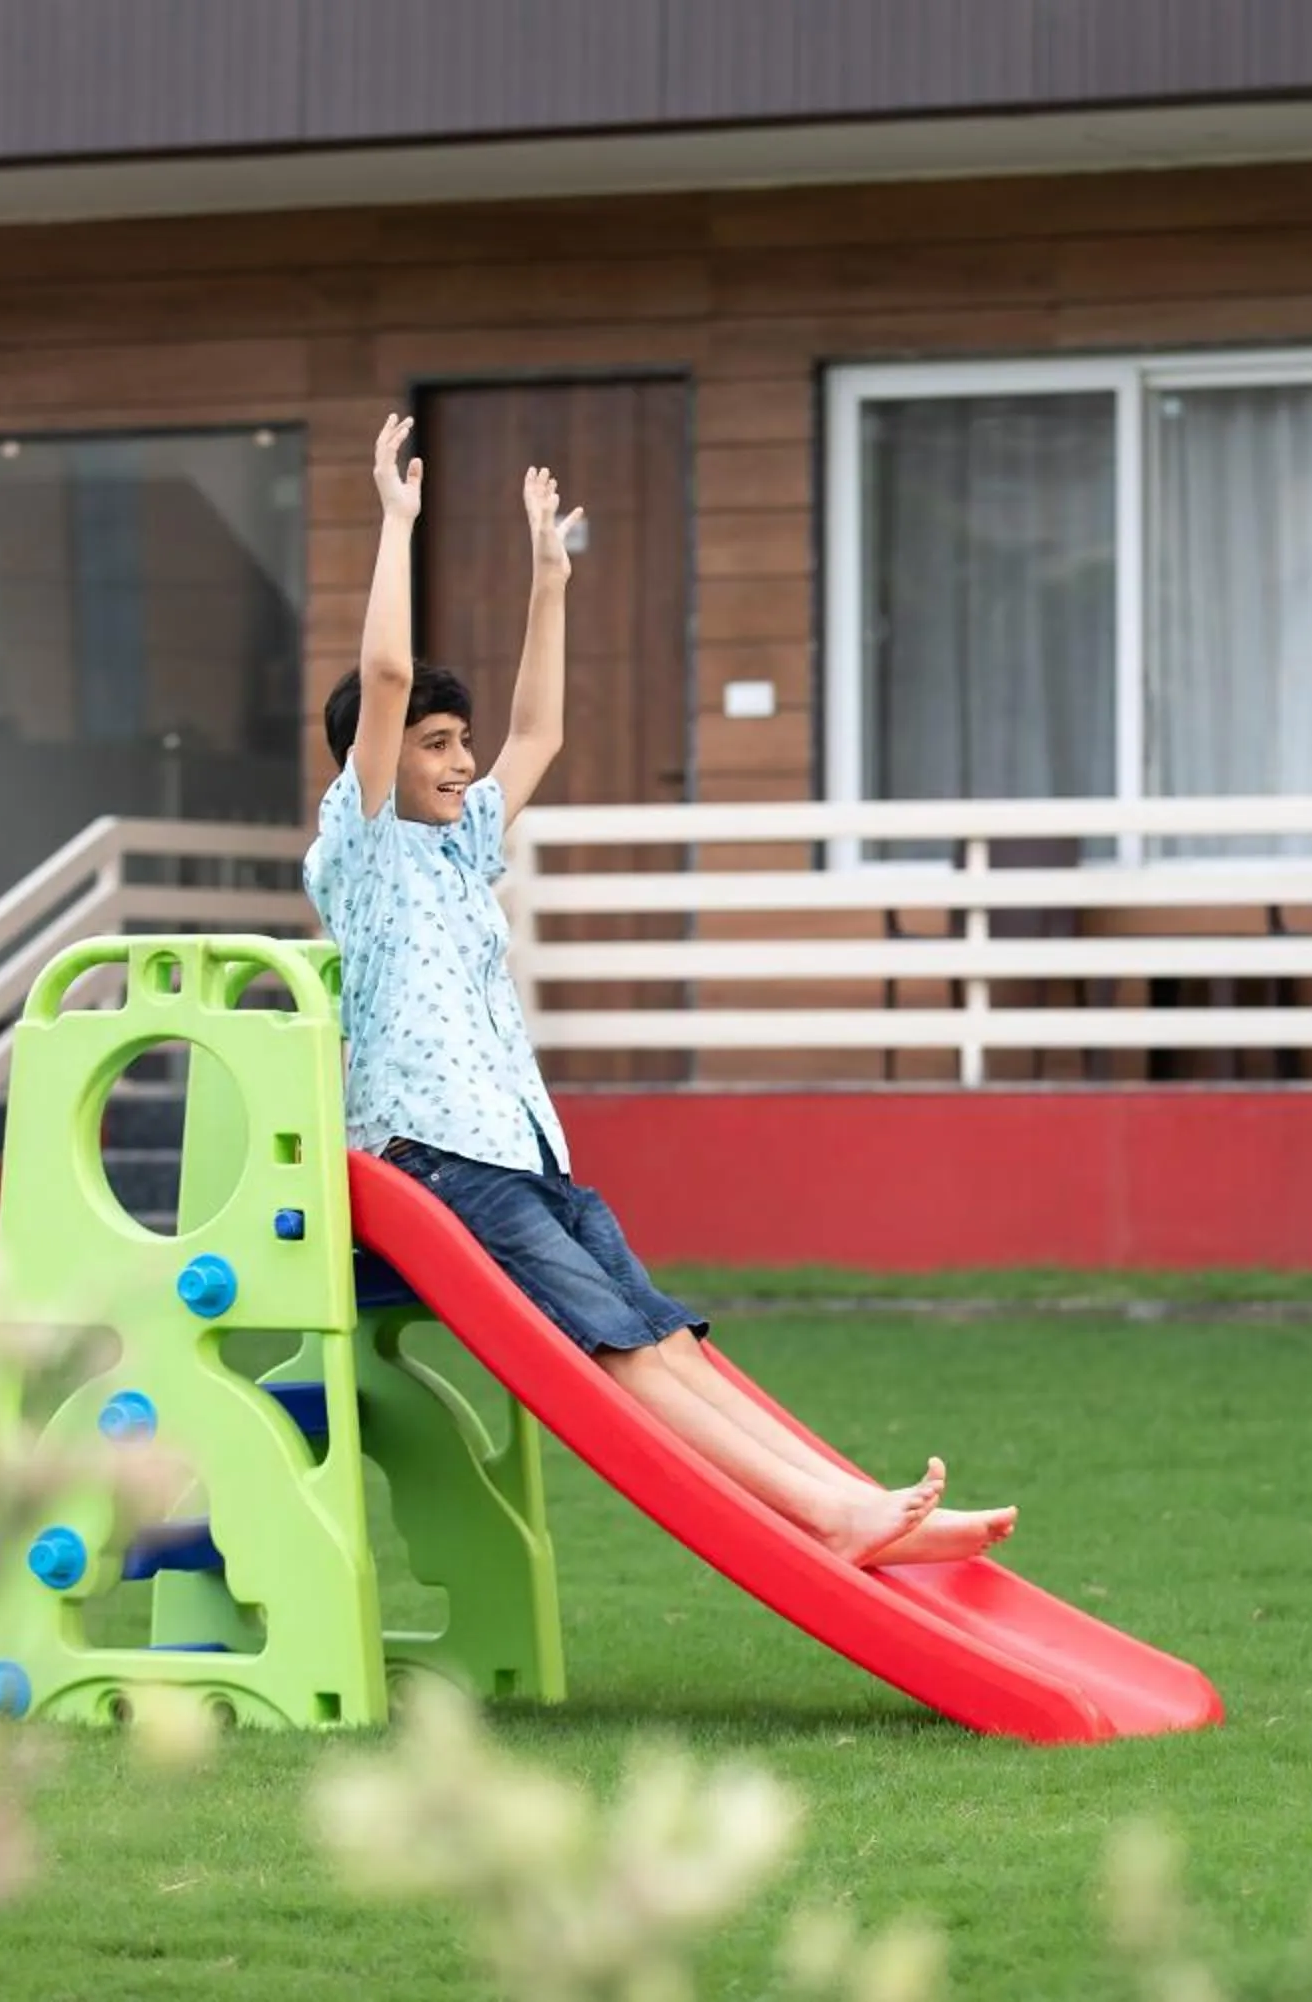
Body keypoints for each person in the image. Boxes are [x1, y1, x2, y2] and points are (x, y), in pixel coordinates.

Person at [304, 411, 1015, 1567]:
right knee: (618, 1350)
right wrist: (396, 520)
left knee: (665, 1337)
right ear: (375, 761)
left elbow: (541, 728)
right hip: (436, 1161)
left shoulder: (461, 844)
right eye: (433, 742)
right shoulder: (367, 843)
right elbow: (383, 672)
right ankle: (839, 1520)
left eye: (457, 739)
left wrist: (551, 579)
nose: (459, 760)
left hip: (524, 1153)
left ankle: (849, 1504)